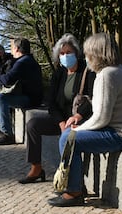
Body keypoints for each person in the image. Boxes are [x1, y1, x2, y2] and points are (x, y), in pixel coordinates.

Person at [48, 32, 122, 207]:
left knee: (68, 138)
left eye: (87, 52)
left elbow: (101, 118)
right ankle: (76, 186)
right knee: (70, 134)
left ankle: (74, 191)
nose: (86, 56)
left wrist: (77, 130)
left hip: (121, 135)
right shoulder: (119, 71)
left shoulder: (106, 75)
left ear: (96, 53)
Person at [19, 33, 96, 184]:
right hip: (61, 119)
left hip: (79, 118)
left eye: (68, 52)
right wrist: (61, 122)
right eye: (62, 53)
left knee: (69, 136)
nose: (65, 56)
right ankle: (36, 168)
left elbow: (92, 99)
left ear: (76, 53)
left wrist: (78, 116)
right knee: (33, 125)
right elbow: (52, 103)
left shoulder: (87, 72)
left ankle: (71, 179)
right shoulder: (59, 73)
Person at [0, 37, 43, 145]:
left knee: (0, 97)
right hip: (29, 96)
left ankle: (7, 134)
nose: (11, 51)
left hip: (30, 99)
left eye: (12, 48)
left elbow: (8, 79)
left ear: (17, 49)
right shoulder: (27, 60)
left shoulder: (22, 62)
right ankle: (0, 125)